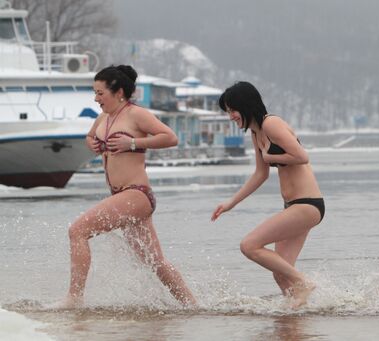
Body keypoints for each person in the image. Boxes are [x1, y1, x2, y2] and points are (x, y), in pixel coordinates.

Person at [60, 65, 196, 308]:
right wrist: (92, 143)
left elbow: (170, 137)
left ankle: (74, 299)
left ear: (118, 91)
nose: (96, 98)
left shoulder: (136, 114)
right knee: (155, 262)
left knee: (77, 231)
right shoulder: (104, 117)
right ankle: (193, 306)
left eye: (100, 93)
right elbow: (90, 136)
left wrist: (132, 142)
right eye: (95, 92)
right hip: (121, 195)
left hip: (136, 193)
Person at [211, 81, 324, 308]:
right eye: (227, 112)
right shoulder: (256, 133)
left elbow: (302, 156)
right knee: (281, 272)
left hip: (307, 204)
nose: (231, 116)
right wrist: (231, 203)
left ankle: (304, 282)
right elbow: (259, 175)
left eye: (232, 110)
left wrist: (272, 158)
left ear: (245, 104)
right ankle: (297, 319)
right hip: (293, 206)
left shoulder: (271, 124)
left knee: (249, 245)